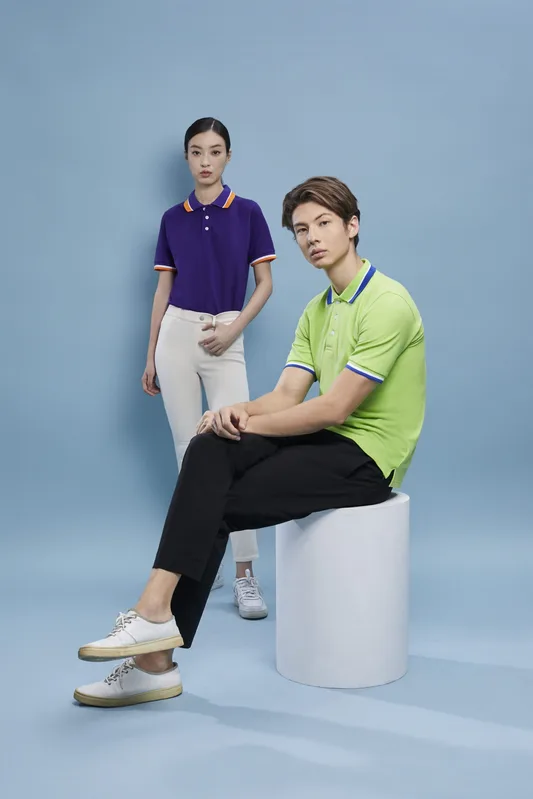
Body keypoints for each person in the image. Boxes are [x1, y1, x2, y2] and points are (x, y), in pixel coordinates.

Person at [74, 176, 426, 708]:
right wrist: (234, 413)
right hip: (328, 440)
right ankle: (153, 621)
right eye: (301, 230)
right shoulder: (317, 310)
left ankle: (153, 654)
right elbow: (286, 395)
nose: (312, 238)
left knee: (214, 496)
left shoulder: (388, 302)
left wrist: (247, 424)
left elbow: (334, 409)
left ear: (352, 226)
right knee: (209, 448)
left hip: (371, 458)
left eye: (324, 223)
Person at [142, 117, 276, 619]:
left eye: (215, 151)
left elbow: (264, 284)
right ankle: (197, 560)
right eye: (196, 151)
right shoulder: (171, 219)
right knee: (187, 452)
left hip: (225, 336)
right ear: (187, 158)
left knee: (234, 449)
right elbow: (163, 290)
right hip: (176, 336)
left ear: (228, 157)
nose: (205, 160)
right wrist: (150, 353)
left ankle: (245, 573)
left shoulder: (247, 212)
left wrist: (233, 330)